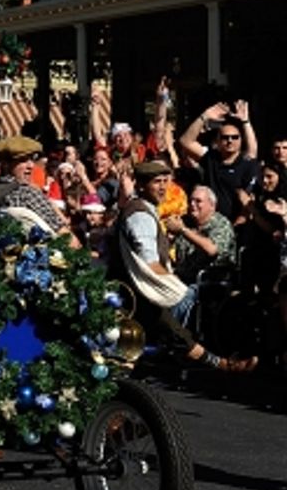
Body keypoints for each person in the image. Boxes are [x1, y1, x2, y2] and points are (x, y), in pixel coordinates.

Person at [108, 160, 256, 374]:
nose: (162, 187)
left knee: (162, 334)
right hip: (139, 289)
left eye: (165, 182)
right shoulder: (140, 215)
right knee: (171, 332)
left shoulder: (142, 209)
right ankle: (223, 365)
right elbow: (149, 261)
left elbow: (212, 251)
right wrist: (171, 284)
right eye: (156, 182)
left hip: (160, 286)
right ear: (141, 185)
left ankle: (218, 363)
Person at [0, 135, 78, 243]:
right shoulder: (27, 194)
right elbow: (66, 238)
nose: (31, 165)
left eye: (32, 159)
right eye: (23, 160)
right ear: (6, 164)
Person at [179, 102, 259, 226]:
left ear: (241, 140)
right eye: (225, 137)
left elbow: (248, 202)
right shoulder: (211, 158)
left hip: (239, 227)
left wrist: (245, 122)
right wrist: (204, 116)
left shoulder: (246, 163)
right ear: (218, 141)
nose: (230, 141)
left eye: (234, 137)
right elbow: (185, 141)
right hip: (211, 224)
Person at [167, 185, 236, 284]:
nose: (192, 204)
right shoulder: (185, 220)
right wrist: (169, 239)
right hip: (180, 278)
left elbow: (211, 249)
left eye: (198, 201)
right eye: (190, 200)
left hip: (210, 281)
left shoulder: (221, 224)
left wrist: (183, 230)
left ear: (212, 205)